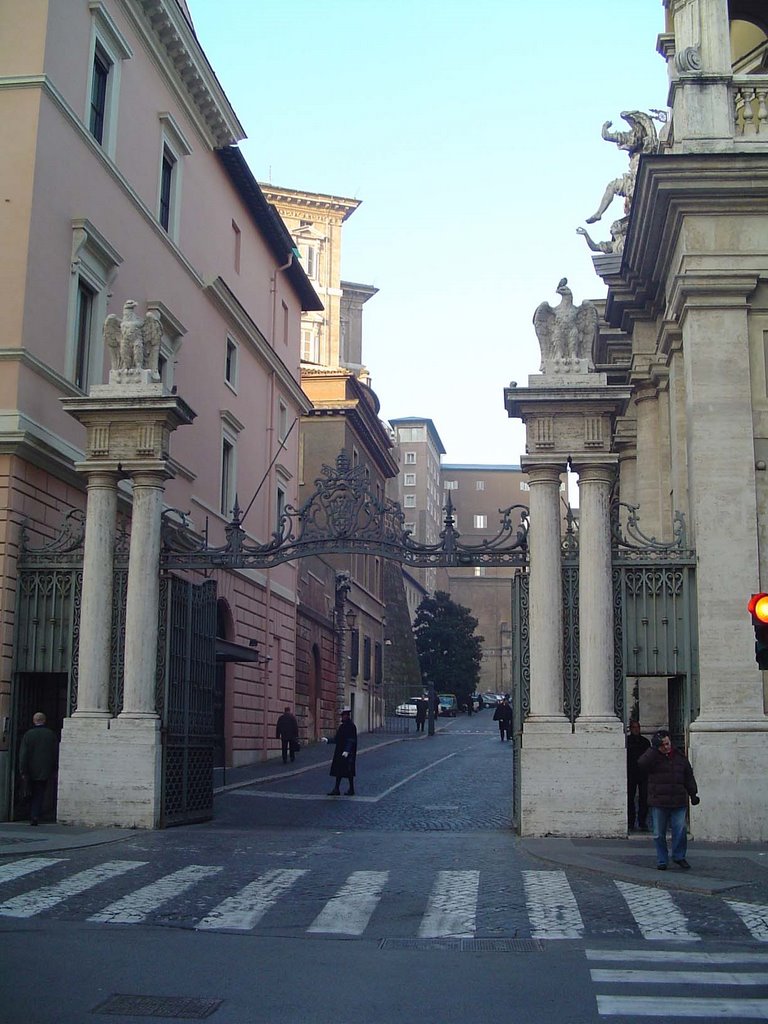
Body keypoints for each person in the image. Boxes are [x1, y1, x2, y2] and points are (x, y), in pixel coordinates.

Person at [638, 729, 700, 871]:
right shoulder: (653, 757)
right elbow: (641, 764)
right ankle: (662, 860)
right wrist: (653, 749)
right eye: (663, 745)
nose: (666, 747)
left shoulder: (679, 756)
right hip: (659, 801)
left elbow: (688, 776)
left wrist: (693, 794)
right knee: (659, 833)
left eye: (667, 743)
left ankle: (679, 856)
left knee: (680, 830)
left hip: (678, 800)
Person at [18, 712, 58, 826]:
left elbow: (23, 754)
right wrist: (55, 768)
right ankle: (35, 814)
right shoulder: (51, 734)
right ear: (44, 720)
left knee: (29, 791)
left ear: (34, 720)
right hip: (45, 770)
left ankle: (29, 813)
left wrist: (23, 770)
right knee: (39, 793)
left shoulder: (28, 735)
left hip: (30, 770)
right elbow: (55, 753)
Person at [626, 720, 651, 831]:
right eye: (634, 727)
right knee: (630, 798)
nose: (636, 729)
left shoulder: (645, 742)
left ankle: (642, 821)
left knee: (644, 798)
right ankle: (631, 821)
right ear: (630, 729)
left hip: (643, 773)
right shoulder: (627, 741)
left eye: (638, 727)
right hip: (631, 773)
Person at [328, 708, 357, 796]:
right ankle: (337, 788)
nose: (342, 717)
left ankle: (351, 789)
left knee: (348, 771)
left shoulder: (351, 726)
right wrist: (328, 740)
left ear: (347, 716)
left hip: (347, 753)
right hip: (340, 751)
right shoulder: (343, 726)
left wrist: (347, 751)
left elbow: (351, 740)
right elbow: (337, 738)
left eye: (344, 716)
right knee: (339, 771)